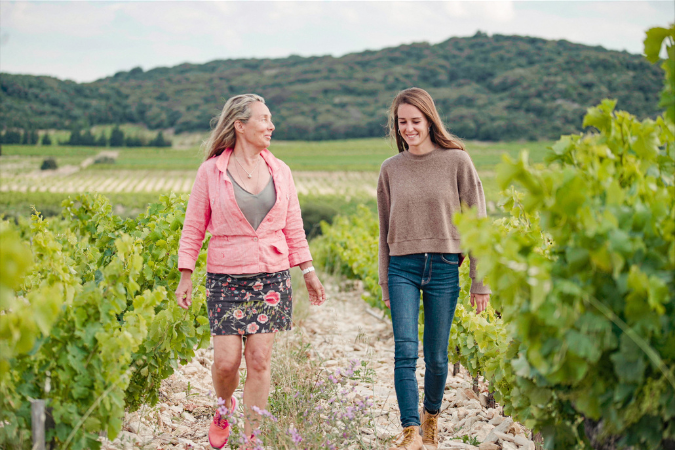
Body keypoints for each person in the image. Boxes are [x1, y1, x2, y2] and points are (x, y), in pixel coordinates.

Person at [174, 93, 326, 450]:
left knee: (259, 361)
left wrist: (308, 270)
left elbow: (293, 225)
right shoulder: (211, 171)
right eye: (264, 118)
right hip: (225, 276)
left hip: (271, 276)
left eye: (271, 118)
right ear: (240, 125)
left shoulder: (281, 170)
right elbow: (194, 225)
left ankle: (250, 437)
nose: (271, 125)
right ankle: (223, 410)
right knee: (227, 363)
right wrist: (186, 273)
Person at [377, 88, 491, 450]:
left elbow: (478, 222)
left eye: (415, 121)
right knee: (405, 352)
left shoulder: (457, 162)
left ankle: (431, 417)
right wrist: (384, 281)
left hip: (444, 267)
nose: (409, 129)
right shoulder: (390, 169)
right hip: (402, 269)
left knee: (438, 359)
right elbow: (383, 231)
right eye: (402, 123)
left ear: (429, 120)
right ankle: (410, 432)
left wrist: (480, 280)